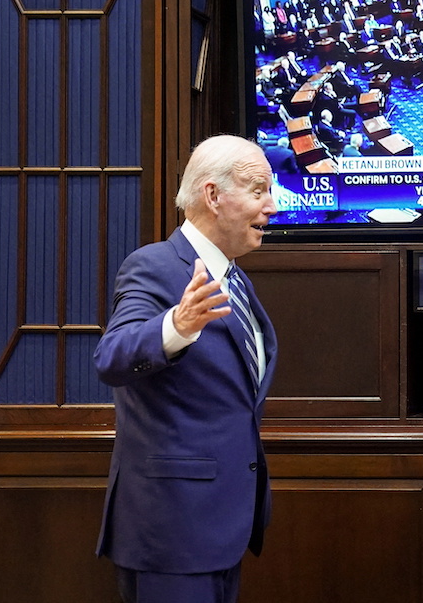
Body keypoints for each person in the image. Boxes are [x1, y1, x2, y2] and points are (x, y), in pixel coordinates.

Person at [94, 134, 279, 603]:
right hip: (172, 531)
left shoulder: (236, 280)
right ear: (213, 196)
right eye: (259, 191)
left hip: (224, 526)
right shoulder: (154, 266)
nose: (272, 207)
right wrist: (175, 326)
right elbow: (112, 357)